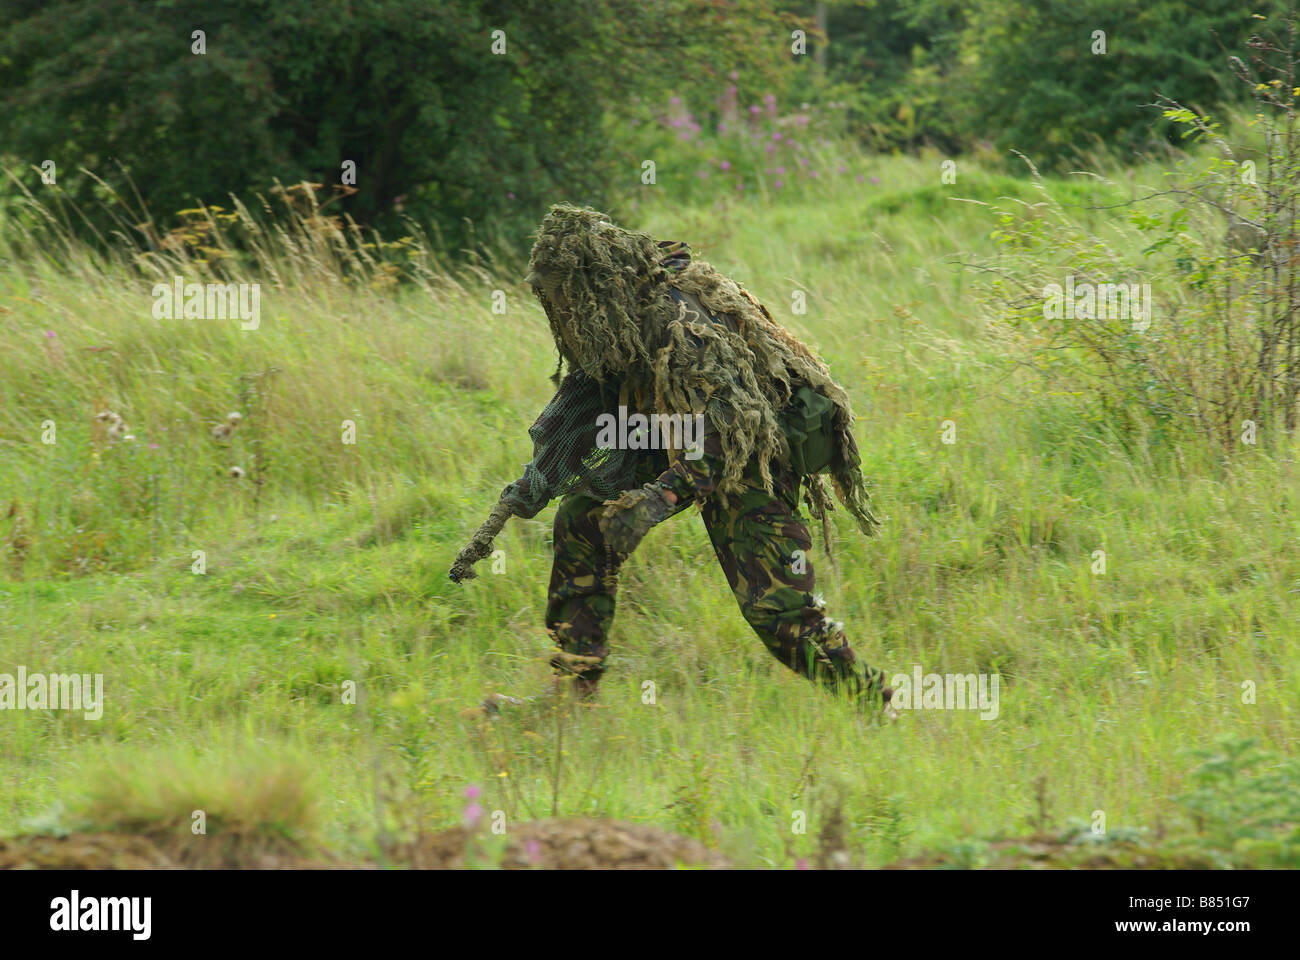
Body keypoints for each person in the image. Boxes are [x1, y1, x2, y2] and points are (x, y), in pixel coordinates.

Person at [450, 204, 891, 711]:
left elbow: (730, 433)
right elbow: (582, 409)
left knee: (777, 613)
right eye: (551, 301)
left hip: (749, 450)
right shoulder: (609, 322)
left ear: (593, 286)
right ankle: (575, 690)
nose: (560, 315)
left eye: (564, 299)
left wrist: (655, 500)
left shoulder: (676, 324)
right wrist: (535, 482)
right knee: (582, 519)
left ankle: (873, 702)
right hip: (674, 429)